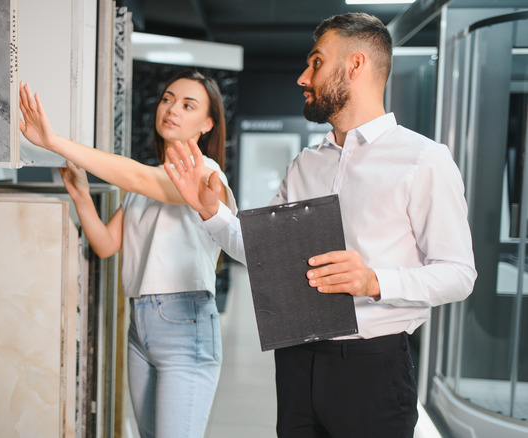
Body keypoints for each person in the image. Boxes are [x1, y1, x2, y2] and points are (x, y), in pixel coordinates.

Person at [164, 13, 476, 438]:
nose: (302, 77)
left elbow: (459, 275)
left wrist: (373, 281)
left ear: (356, 65)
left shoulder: (424, 160)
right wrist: (211, 212)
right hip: (296, 361)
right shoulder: (307, 163)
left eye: (315, 62)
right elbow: (261, 252)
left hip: (372, 371)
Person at [18, 70, 237, 438]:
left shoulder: (205, 173)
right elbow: (105, 244)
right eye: (167, 99)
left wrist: (55, 141)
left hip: (186, 324)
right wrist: (82, 197)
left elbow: (136, 178)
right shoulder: (145, 184)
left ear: (208, 124)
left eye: (188, 105)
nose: (172, 109)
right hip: (140, 327)